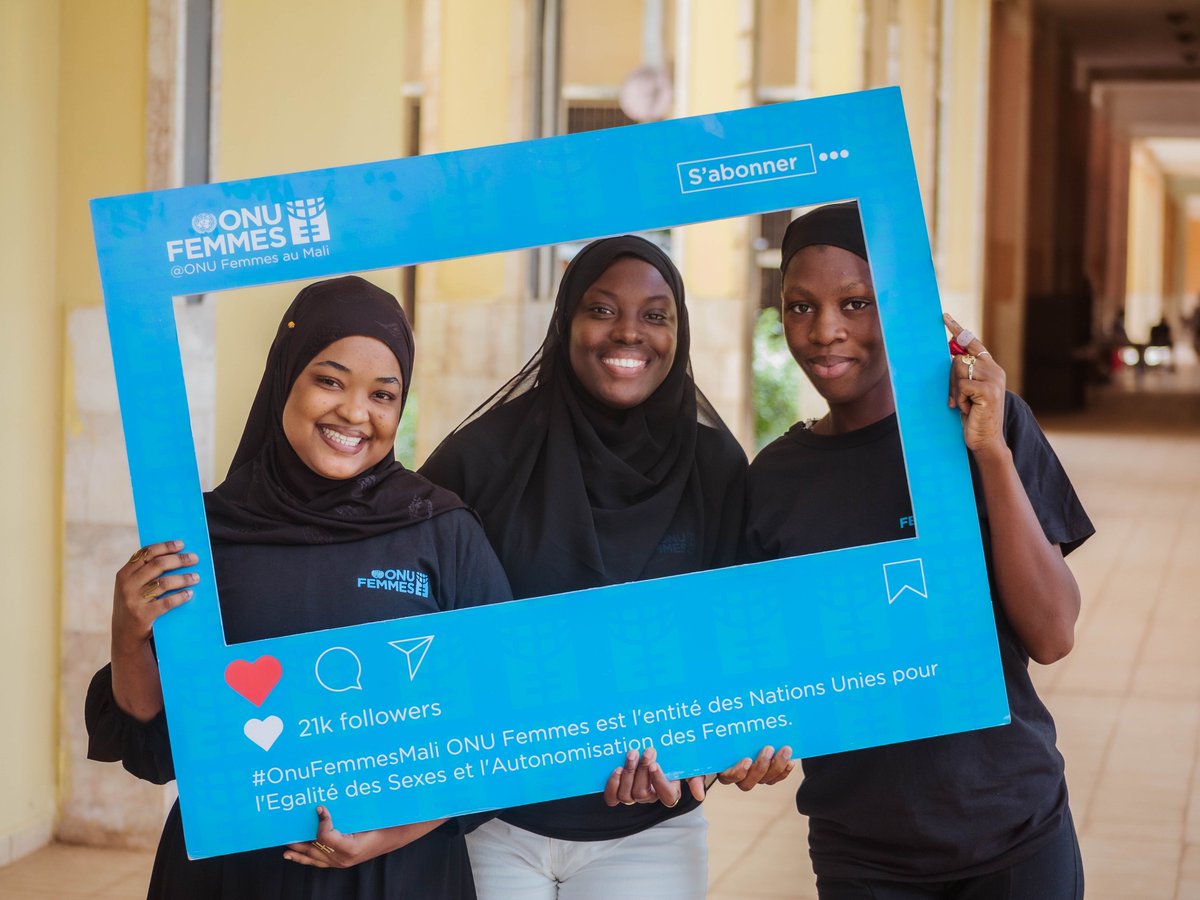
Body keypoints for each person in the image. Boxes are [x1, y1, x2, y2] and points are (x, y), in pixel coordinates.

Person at [86, 276, 512, 899]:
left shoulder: (441, 531)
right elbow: (157, 745)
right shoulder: (205, 537)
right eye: (330, 380)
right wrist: (129, 634)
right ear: (286, 376)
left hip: (396, 876)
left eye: (383, 394)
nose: (355, 412)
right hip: (231, 874)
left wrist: (389, 835)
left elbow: (501, 717)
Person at [420, 236, 793, 899]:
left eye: (656, 315)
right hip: (491, 822)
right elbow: (418, 622)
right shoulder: (479, 462)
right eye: (602, 309)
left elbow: (740, 639)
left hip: (650, 831)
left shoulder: (714, 471)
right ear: (565, 320)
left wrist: (737, 739)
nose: (629, 332)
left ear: (678, 331)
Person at [744, 202, 1093, 899]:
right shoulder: (775, 479)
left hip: (1013, 834)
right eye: (801, 306)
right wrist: (744, 741)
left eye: (857, 302)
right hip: (863, 853)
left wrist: (988, 451)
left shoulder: (980, 427)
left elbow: (1052, 634)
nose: (826, 331)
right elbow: (765, 664)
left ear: (903, 307)